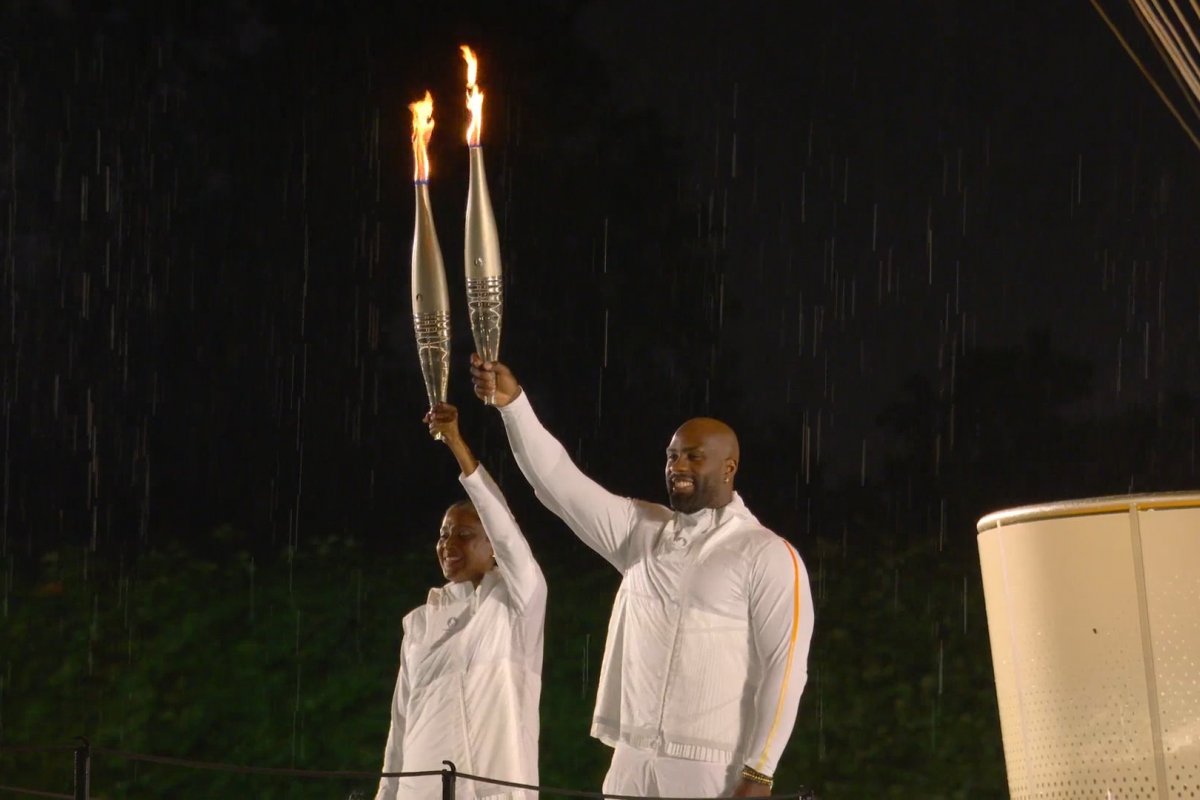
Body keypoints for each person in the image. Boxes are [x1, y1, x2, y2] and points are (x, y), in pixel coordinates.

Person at [471, 355, 814, 798]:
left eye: (694, 456)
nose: (678, 467)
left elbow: (785, 671)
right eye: (672, 456)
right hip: (629, 762)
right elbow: (556, 481)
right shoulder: (640, 531)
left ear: (729, 468)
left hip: (711, 769)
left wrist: (760, 773)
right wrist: (513, 406)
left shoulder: (767, 553)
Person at [374, 402, 546, 800]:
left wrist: (456, 445)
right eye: (443, 534)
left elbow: (507, 529)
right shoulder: (417, 623)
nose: (449, 544)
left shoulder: (518, 604)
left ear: (493, 547)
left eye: (465, 535)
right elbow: (400, 726)